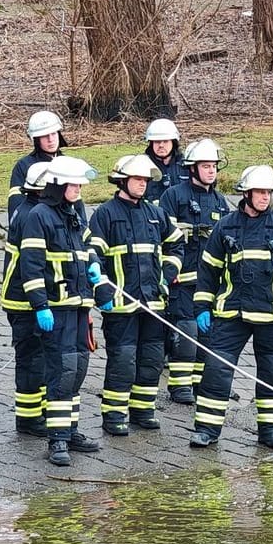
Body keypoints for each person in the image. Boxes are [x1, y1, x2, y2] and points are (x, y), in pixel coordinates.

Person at [189, 164, 273, 450]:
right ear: (246, 194)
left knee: (272, 374)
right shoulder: (226, 226)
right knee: (216, 372)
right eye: (259, 192)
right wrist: (202, 307)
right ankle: (206, 429)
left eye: (268, 192)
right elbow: (208, 269)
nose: (265, 197)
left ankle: (269, 431)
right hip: (231, 314)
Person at [15, 155, 110, 466]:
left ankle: (70, 430)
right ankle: (56, 440)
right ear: (57, 185)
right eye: (74, 184)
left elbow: (87, 246)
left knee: (78, 369)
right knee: (62, 371)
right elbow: (30, 266)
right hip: (56, 309)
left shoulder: (74, 213)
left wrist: (95, 267)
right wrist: (40, 305)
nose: (79, 188)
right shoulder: (39, 216)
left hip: (80, 307)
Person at [89, 155, 183, 436]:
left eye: (145, 180)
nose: (143, 185)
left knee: (151, 360)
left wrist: (165, 277)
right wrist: (102, 289)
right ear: (122, 181)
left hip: (154, 303)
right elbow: (93, 254)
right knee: (123, 361)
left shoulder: (155, 214)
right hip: (120, 305)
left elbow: (176, 245)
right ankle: (114, 414)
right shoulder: (105, 214)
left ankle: (143, 409)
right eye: (138, 180)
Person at [156, 138, 230, 404]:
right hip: (182, 279)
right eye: (206, 166)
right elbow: (164, 235)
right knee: (186, 332)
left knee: (208, 334)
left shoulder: (220, 202)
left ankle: (201, 384)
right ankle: (179, 386)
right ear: (192, 168)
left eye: (214, 166)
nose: (211, 171)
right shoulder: (174, 196)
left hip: (209, 282)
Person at [0, 161, 53, 436]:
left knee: (40, 358)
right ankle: (30, 418)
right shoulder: (32, 215)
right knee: (32, 359)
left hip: (32, 297)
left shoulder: (34, 210)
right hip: (24, 299)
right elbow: (33, 264)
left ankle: (37, 412)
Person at [8, 110, 69, 220]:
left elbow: (77, 204)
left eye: (54, 133)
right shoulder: (23, 166)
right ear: (36, 139)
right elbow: (16, 206)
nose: (51, 140)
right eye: (45, 136)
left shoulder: (67, 163)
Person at [142, 119, 189, 202]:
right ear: (151, 143)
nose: (161, 145)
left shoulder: (186, 166)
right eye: (157, 141)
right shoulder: (142, 166)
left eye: (165, 141)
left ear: (173, 142)